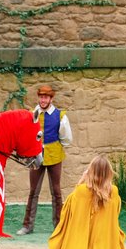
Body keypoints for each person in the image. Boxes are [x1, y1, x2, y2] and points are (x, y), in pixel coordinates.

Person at [17, 84, 72, 235]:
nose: (43, 100)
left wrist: (54, 146)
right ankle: (27, 225)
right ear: (38, 98)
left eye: (46, 97)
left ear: (51, 99)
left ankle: (59, 226)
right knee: (33, 191)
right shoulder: (31, 114)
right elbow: (26, 134)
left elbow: (66, 138)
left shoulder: (60, 115)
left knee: (56, 191)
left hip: (54, 156)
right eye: (41, 97)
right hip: (36, 155)